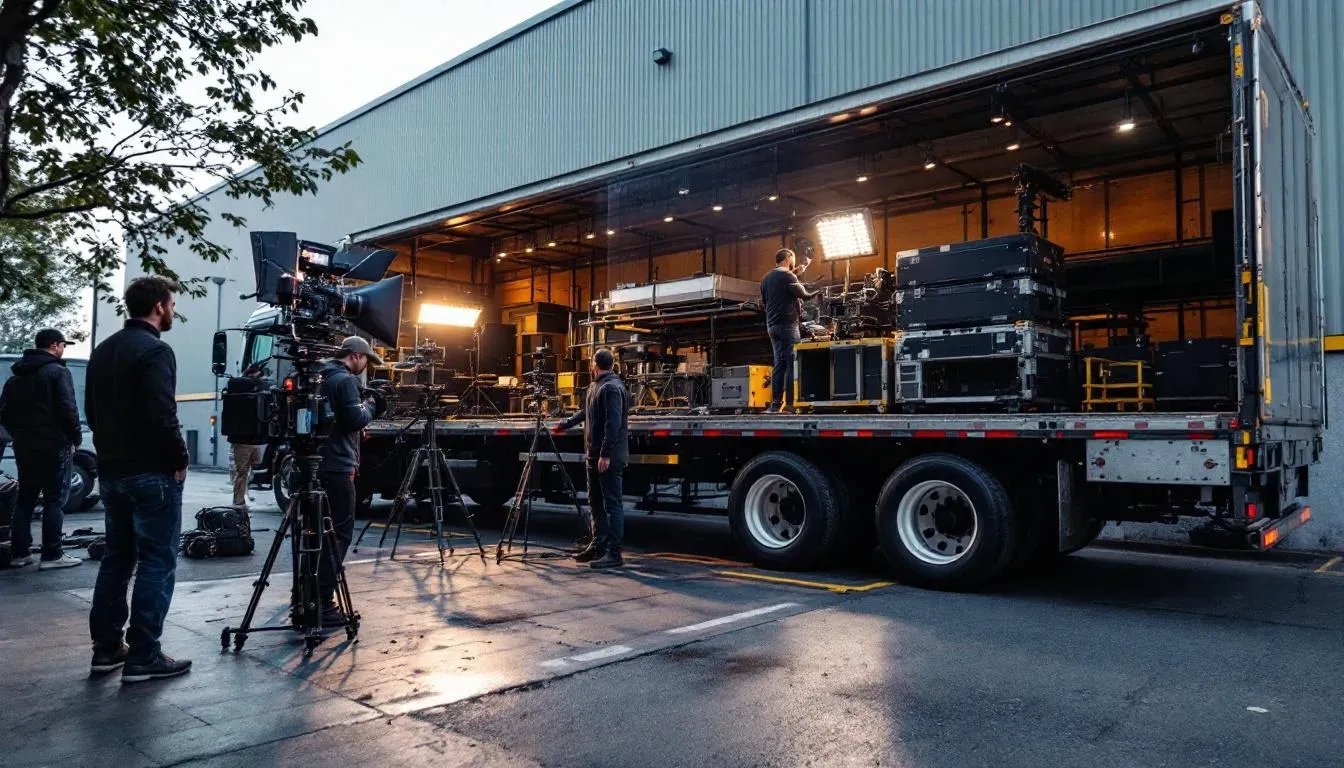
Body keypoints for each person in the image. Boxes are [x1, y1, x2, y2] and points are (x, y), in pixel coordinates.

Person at [86, 276, 192, 683]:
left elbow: (92, 412)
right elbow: (162, 412)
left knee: (117, 560)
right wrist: (178, 457)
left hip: (113, 472)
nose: (174, 311)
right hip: (151, 473)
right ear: (160, 306)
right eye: (172, 304)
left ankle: (107, 649)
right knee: (156, 561)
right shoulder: (156, 351)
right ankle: (145, 654)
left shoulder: (103, 350)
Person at [0, 328, 83, 570]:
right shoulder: (58, 372)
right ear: (54, 345)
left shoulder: (15, 378)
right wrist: (75, 438)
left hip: (24, 445)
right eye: (63, 345)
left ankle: (20, 554)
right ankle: (52, 555)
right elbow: (68, 409)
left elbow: (4, 413)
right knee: (54, 500)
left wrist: (19, 435)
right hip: (54, 445)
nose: (63, 350)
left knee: (25, 500)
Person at [315, 336, 384, 626]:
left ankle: (304, 597)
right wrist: (372, 405)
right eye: (366, 359)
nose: (365, 365)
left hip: (316, 465)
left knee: (313, 534)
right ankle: (322, 603)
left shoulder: (319, 376)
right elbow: (355, 419)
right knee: (338, 534)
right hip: (338, 468)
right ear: (355, 356)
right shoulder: (345, 381)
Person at [554, 348, 631, 569]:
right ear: (612, 364)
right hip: (593, 455)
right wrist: (566, 423)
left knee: (612, 505)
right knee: (595, 503)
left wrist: (605, 454)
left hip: (607, 457)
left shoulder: (612, 388)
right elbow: (585, 412)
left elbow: (613, 424)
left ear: (594, 365)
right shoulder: (595, 387)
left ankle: (614, 554)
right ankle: (598, 546)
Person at [759, 248, 817, 413]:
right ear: (788, 258)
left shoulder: (766, 279)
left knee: (779, 364)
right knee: (792, 364)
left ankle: (775, 405)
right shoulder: (788, 277)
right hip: (788, 326)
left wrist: (796, 273)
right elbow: (805, 295)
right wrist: (817, 292)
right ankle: (791, 405)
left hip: (772, 326)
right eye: (792, 259)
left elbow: (767, 300)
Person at [228, 363, 267, 509]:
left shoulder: (235, 389)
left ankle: (240, 499)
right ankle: (240, 499)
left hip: (242, 440)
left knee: (243, 471)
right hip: (255, 440)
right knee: (248, 470)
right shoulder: (259, 388)